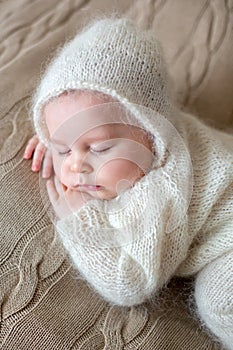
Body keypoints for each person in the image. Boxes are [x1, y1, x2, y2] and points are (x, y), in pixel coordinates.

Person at [23, 17, 233, 349]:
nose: (76, 165)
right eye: (62, 148)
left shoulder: (161, 187)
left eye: (99, 148)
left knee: (220, 300)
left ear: (152, 134)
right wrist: (57, 141)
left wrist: (83, 220)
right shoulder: (140, 140)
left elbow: (130, 283)